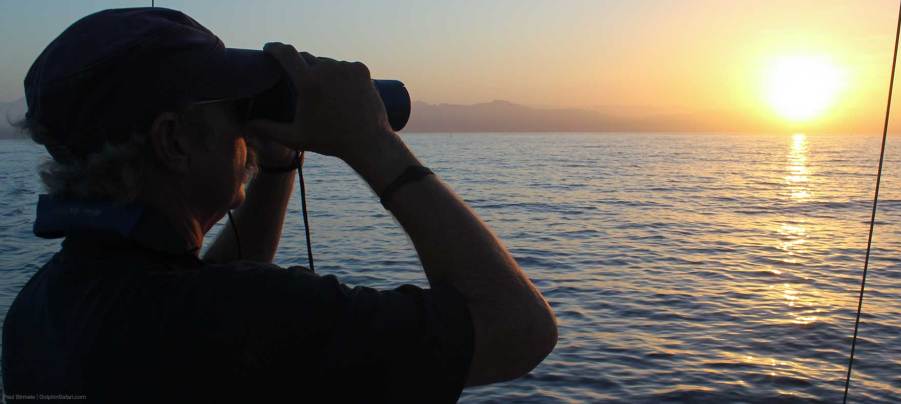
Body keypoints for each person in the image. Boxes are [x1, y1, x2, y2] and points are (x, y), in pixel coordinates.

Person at [1, 8, 557, 403]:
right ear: (175, 142)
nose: (244, 126)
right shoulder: (235, 318)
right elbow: (518, 329)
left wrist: (275, 167)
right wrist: (372, 142)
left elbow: (205, 303)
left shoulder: (41, 306)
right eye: (232, 109)